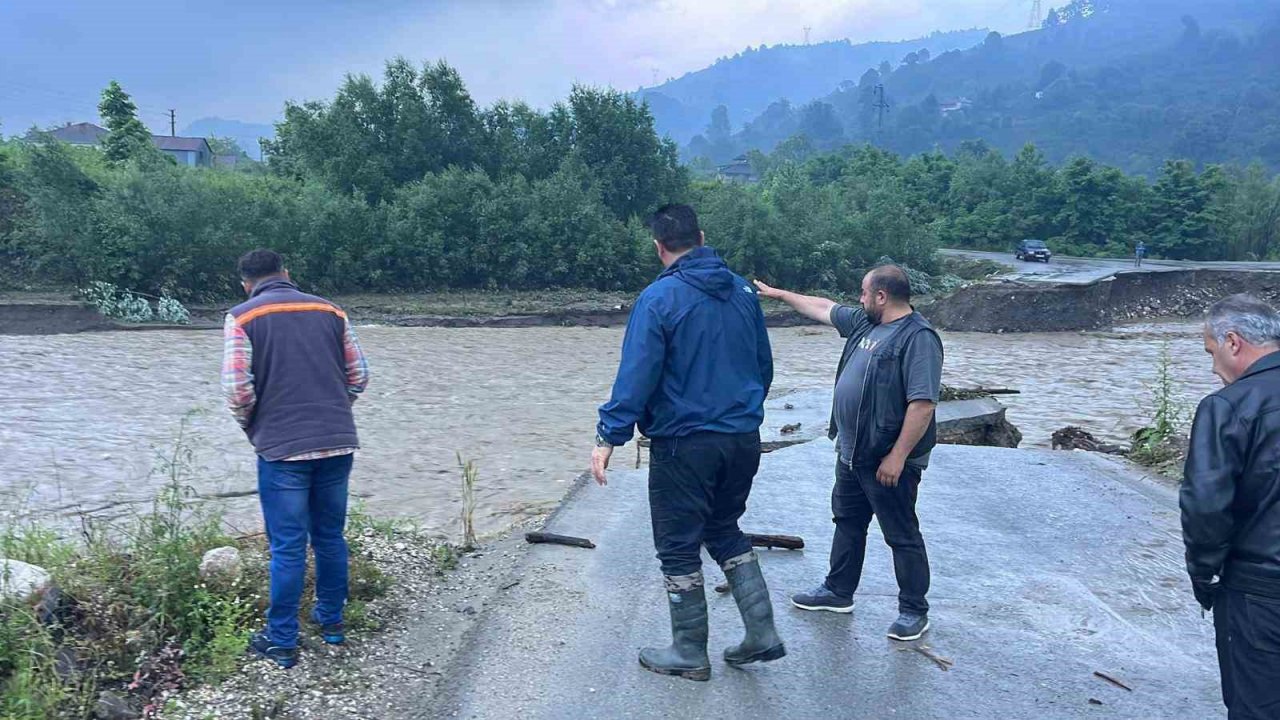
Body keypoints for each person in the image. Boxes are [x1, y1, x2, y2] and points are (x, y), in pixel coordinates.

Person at [592, 204, 784, 681]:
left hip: (685, 442)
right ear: (700, 236)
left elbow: (637, 376)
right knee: (723, 528)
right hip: (741, 437)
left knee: (678, 546)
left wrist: (608, 437)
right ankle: (762, 633)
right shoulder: (742, 291)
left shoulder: (659, 299)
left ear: (659, 247)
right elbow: (764, 366)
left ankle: (689, 651)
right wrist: (741, 413)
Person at [755, 266, 942, 642]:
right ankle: (838, 592)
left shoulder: (918, 339)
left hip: (887, 459)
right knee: (848, 522)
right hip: (853, 451)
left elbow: (922, 404)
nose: (858, 299)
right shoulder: (864, 324)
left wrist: (898, 457)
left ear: (882, 296)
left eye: (863, 292)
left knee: (901, 534)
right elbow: (822, 307)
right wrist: (780, 294)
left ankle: (913, 611)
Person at [221, 249, 370, 669]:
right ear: (287, 273)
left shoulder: (242, 317)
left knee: (288, 547)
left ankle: (283, 641)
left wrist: (254, 426)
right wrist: (335, 411)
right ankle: (332, 623)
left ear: (246, 283)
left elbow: (237, 390)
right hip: (338, 441)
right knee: (329, 537)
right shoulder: (331, 311)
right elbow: (359, 376)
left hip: (282, 449)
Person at [1181, 294, 1280, 719]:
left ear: (1233, 343)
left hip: (1259, 592)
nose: (1213, 368)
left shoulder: (1229, 406)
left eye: (1212, 352)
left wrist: (1205, 575)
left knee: (1256, 706)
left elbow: (1205, 505)